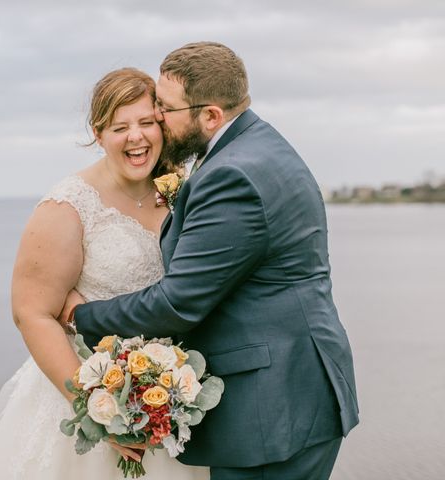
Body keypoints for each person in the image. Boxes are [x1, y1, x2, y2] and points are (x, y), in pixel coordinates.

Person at [61, 42, 360, 480]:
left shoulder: (231, 175)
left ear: (211, 116)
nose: (158, 117)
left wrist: (81, 315)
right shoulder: (258, 145)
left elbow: (179, 303)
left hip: (273, 410)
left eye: (164, 108)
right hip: (296, 389)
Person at [0, 68, 209, 479]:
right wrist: (96, 410)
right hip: (85, 402)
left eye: (146, 123)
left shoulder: (182, 190)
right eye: (120, 127)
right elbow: (31, 312)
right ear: (98, 133)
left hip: (171, 407)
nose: (136, 137)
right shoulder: (68, 205)